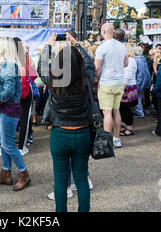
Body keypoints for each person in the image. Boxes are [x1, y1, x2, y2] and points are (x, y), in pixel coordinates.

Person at [38, 32, 99, 212]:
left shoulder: (53, 79)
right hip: (82, 133)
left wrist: (49, 45)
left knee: (60, 180)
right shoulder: (86, 77)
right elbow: (89, 63)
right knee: (81, 179)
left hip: (60, 133)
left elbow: (41, 67)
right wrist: (76, 44)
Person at [0, 37, 31, 191]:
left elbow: (8, 91)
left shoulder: (9, 65)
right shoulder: (8, 65)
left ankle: (23, 173)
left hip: (8, 108)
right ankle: (6, 173)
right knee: (3, 144)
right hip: (4, 108)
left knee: (8, 144)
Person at [94, 23, 128, 148]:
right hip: (119, 81)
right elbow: (125, 64)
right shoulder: (122, 46)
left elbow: (96, 67)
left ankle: (107, 142)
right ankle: (116, 138)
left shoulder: (102, 47)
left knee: (107, 113)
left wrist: (98, 76)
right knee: (116, 111)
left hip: (107, 82)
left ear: (103, 31)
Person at [13, 37, 37, 154]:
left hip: (13, 92)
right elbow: (34, 74)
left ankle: (10, 144)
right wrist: (27, 79)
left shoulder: (9, 58)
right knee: (24, 119)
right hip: (26, 91)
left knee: (10, 116)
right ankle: (22, 146)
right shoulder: (26, 58)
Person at [119, 45, 138, 136]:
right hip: (127, 86)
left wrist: (122, 89)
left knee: (127, 109)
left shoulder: (130, 61)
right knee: (123, 108)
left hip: (127, 87)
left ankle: (130, 129)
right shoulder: (130, 60)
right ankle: (127, 126)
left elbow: (127, 76)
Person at [133, 46, 151, 118]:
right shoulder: (143, 59)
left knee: (138, 98)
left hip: (140, 82)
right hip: (144, 82)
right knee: (139, 97)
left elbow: (140, 73)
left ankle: (139, 112)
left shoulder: (137, 60)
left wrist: (138, 84)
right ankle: (138, 111)